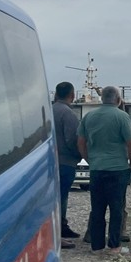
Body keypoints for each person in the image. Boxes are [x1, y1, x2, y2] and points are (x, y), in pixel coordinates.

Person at [78, 85, 131, 254]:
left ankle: (96, 245)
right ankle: (114, 245)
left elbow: (81, 142)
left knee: (97, 208)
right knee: (116, 208)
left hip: (97, 168)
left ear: (102, 98)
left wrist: (90, 159)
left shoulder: (89, 117)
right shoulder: (122, 116)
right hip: (118, 168)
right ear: (118, 99)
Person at [51, 81, 83, 248]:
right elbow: (72, 139)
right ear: (72, 95)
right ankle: (58, 233)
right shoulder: (68, 114)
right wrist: (80, 154)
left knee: (56, 197)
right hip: (65, 162)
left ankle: (62, 227)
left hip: (50, 161)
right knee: (60, 197)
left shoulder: (49, 111)